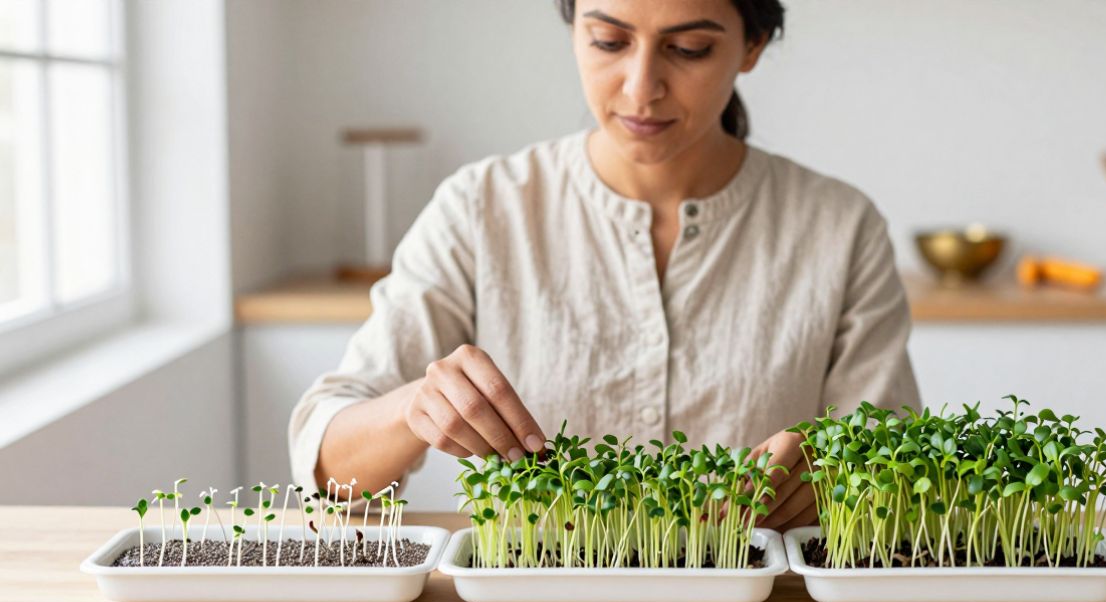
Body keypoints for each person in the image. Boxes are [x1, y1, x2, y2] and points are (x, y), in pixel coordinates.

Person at [289, 0, 920, 532]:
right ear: (574, 33)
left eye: (690, 49)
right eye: (608, 41)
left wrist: (838, 471)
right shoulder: (483, 208)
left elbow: (898, 467)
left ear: (752, 46)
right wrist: (413, 409)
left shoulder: (840, 226)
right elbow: (326, 463)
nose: (641, 86)